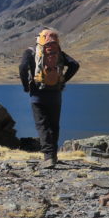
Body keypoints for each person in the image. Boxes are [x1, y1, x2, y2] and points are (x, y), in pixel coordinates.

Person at [18, 28, 79, 169]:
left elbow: (22, 67)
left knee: (42, 125)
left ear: (39, 38)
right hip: (55, 95)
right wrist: (63, 80)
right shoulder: (58, 53)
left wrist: (26, 86)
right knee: (54, 125)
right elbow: (75, 65)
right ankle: (54, 156)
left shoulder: (31, 51)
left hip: (37, 95)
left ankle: (48, 158)